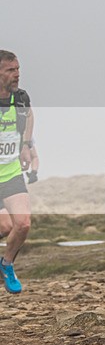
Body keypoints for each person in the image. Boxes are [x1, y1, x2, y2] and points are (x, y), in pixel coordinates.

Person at [0, 50, 34, 294]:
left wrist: (25, 145)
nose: (17, 74)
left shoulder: (20, 98)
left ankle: (7, 264)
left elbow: (29, 116)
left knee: (22, 224)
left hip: (10, 172)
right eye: (11, 70)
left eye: (18, 69)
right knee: (4, 227)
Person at [0, 144, 39, 238]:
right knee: (6, 226)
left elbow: (34, 156)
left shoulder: (23, 137)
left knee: (8, 227)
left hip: (10, 182)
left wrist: (34, 172)